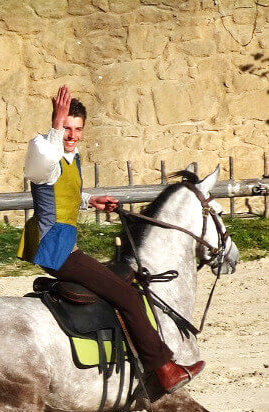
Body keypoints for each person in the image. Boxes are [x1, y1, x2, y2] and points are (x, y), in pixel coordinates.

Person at [18, 85, 204, 393]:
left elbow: (61, 192)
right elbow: (41, 171)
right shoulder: (44, 149)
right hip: (55, 248)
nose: (71, 135)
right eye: (67, 128)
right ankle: (165, 369)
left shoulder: (69, 156)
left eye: (77, 129)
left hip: (65, 244)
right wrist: (54, 125)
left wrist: (90, 201)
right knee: (129, 297)